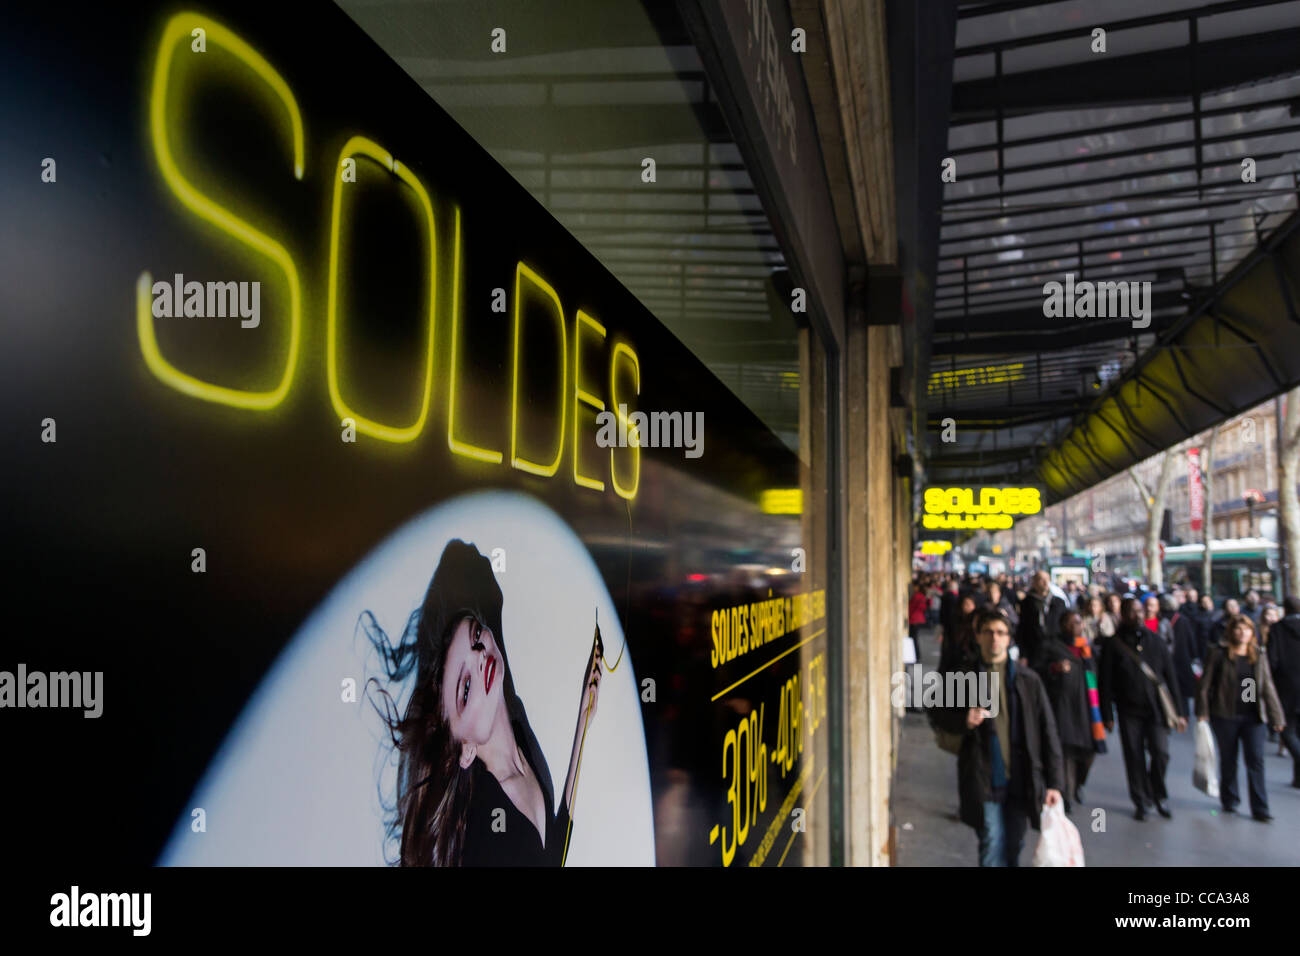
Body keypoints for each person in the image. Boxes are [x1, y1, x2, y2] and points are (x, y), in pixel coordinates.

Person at [364, 539, 602, 865]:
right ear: (465, 751)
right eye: (465, 689)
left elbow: (552, 853)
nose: (479, 659)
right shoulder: (482, 830)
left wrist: (583, 719)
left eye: (476, 636)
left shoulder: (523, 745)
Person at [932, 609, 1063, 866]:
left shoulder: (1028, 680)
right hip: (983, 774)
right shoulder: (963, 675)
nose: (995, 638)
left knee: (1014, 843)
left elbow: (1048, 731)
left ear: (1009, 639)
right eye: (988, 632)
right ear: (978, 636)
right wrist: (963, 720)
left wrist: (1055, 783)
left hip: (1021, 777)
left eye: (1001, 633)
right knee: (992, 840)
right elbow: (937, 714)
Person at [1099, 597, 1187, 820]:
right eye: (1131, 612)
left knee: (1161, 753)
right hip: (1128, 710)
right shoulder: (1113, 644)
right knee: (1134, 755)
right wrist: (1107, 715)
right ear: (1122, 615)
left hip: (1156, 709)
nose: (1136, 615)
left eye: (1139, 611)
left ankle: (1158, 793)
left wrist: (1180, 711)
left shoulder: (1156, 641)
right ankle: (1141, 801)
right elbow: (1105, 683)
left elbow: (1171, 677)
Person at [1197, 615, 1287, 821]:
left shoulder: (1257, 655)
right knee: (1229, 760)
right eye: (1238, 629)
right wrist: (1202, 712)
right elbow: (1205, 685)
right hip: (1225, 714)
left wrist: (1277, 716)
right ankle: (1230, 800)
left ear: (1252, 633)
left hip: (1253, 716)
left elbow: (1267, 688)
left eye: (1246, 629)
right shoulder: (1218, 653)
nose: (1243, 633)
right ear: (1231, 631)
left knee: (1256, 761)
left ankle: (1260, 808)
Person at [1039, 611, 1107, 810]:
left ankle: (1079, 783)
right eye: (1069, 623)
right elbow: (1038, 669)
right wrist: (1054, 668)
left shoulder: (1087, 649)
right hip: (1063, 707)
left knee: (1088, 752)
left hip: (1088, 709)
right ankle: (1066, 795)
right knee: (1066, 750)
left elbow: (1099, 678)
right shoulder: (1051, 646)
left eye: (1077, 623)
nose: (1073, 627)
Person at [1267, 596, 1300, 786]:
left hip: (1285, 688)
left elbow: (1272, 662)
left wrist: (1251, 697)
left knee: (1285, 729)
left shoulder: (1277, 630)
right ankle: (1298, 778)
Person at [1016, 571, 1065, 671]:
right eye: (1041, 579)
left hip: (1056, 650)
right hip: (1034, 651)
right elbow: (1023, 629)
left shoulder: (1058, 602)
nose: (1045, 582)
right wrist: (1023, 654)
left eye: (1047, 579)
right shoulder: (1026, 603)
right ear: (1034, 583)